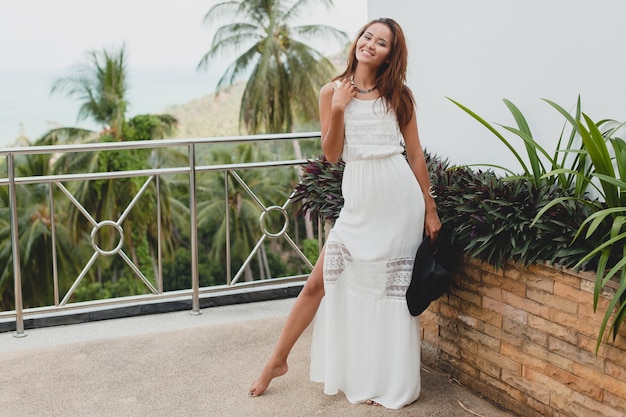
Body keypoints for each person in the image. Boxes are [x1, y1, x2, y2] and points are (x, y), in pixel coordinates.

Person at [248, 17, 441, 409]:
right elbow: (333, 155)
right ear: (358, 41)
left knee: (388, 295)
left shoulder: (399, 97)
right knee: (317, 284)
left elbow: (416, 155)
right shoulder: (330, 92)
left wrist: (430, 208)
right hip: (359, 207)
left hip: (399, 203)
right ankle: (277, 360)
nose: (371, 44)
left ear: (390, 55)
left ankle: (383, 380)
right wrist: (338, 109)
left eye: (382, 42)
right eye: (367, 36)